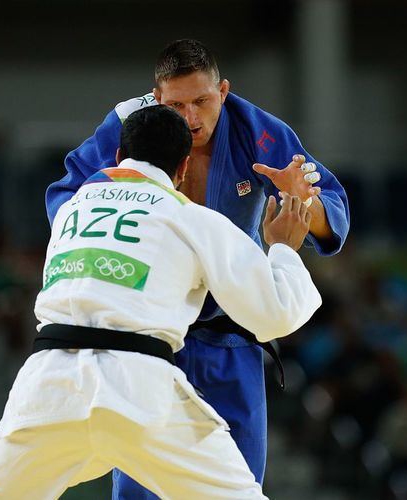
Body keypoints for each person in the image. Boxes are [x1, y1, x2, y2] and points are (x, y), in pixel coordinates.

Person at [0, 106, 321, 499]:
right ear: (183, 169)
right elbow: (276, 314)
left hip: (47, 389)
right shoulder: (189, 217)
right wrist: (284, 248)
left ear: (119, 156)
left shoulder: (71, 210)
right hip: (140, 392)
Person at [46, 39, 350, 496]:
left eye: (202, 101)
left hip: (229, 334)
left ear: (223, 92)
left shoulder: (260, 132)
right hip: (148, 335)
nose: (190, 118)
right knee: (140, 487)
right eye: (177, 105)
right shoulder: (131, 125)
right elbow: (69, 200)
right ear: (156, 96)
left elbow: (334, 214)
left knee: (239, 484)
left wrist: (305, 199)